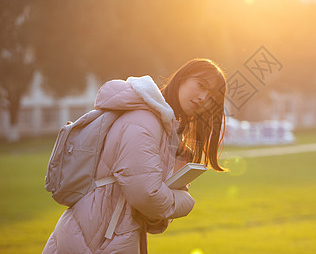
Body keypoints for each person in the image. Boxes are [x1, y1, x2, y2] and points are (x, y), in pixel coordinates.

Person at [43, 58, 227, 253]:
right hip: (96, 237)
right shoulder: (144, 120)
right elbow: (147, 195)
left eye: (211, 95)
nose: (203, 97)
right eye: (201, 85)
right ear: (181, 79)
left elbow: (150, 212)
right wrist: (185, 201)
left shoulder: (164, 129)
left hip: (111, 233)